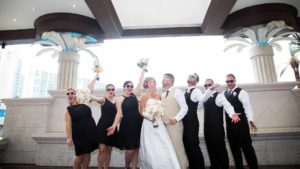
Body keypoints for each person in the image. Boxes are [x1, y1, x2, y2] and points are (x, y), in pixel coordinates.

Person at [139, 77, 180, 169]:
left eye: (155, 81)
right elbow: (141, 112)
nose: (155, 83)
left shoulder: (159, 95)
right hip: (149, 124)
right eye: (153, 82)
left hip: (159, 122)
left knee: (163, 143)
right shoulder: (144, 97)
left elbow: (162, 108)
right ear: (148, 84)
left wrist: (158, 111)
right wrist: (150, 117)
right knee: (151, 146)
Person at [107, 70, 145, 169]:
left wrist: (143, 69)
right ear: (124, 87)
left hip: (138, 124)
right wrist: (114, 125)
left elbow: (140, 82)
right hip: (127, 126)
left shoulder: (134, 95)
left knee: (136, 148)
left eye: (131, 86)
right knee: (130, 151)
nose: (130, 88)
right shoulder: (119, 99)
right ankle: (127, 165)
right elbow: (119, 113)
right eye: (128, 86)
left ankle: (133, 167)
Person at [201, 78, 241, 169]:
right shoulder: (204, 98)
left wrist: (232, 114)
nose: (208, 87)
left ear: (213, 85)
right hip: (207, 129)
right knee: (211, 150)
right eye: (206, 85)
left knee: (220, 150)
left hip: (217, 129)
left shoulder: (219, 96)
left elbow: (227, 105)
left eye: (209, 85)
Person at [224, 74, 258, 169]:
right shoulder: (224, 93)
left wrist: (251, 120)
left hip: (241, 126)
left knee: (247, 149)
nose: (229, 83)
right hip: (230, 127)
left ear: (235, 81)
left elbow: (248, 107)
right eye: (227, 81)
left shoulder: (242, 92)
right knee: (235, 150)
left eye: (231, 81)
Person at [182, 73, 215, 169]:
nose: (189, 77)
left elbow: (202, 99)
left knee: (194, 148)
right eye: (189, 76)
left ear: (196, 81)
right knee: (188, 148)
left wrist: (210, 89)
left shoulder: (196, 91)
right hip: (184, 124)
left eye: (192, 77)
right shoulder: (186, 91)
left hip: (191, 124)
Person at [88, 76, 118, 169]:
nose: (110, 90)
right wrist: (94, 78)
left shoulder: (118, 101)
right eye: (108, 89)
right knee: (102, 149)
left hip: (113, 127)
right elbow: (89, 94)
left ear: (114, 91)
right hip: (102, 127)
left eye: (112, 89)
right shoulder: (103, 99)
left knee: (109, 149)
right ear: (106, 91)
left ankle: (107, 167)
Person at [161, 73, 189, 169]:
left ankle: (183, 167)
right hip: (164, 126)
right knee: (169, 150)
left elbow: (184, 107)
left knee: (178, 149)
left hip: (175, 125)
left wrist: (176, 118)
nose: (162, 81)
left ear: (169, 81)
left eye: (163, 80)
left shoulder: (177, 92)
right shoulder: (163, 94)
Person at [65, 88, 97, 169]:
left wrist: (96, 76)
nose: (70, 95)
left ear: (76, 95)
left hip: (90, 132)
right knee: (79, 155)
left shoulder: (83, 102)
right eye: (68, 94)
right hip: (79, 134)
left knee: (87, 152)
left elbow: (89, 89)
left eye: (72, 93)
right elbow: (67, 124)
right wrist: (69, 137)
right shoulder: (68, 110)